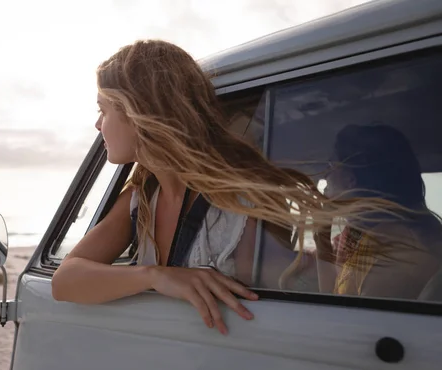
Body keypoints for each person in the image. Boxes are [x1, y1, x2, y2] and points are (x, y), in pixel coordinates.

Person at [51, 40, 400, 335]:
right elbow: (64, 281)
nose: (98, 125)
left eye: (103, 110)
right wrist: (156, 276)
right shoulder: (140, 197)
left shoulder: (242, 201)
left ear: (138, 112)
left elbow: (278, 321)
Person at [312, 124, 442, 298]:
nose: (324, 176)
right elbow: (332, 298)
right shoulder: (366, 237)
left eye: (330, 165)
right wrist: (322, 234)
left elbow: (335, 316)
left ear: (350, 179)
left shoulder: (396, 259)